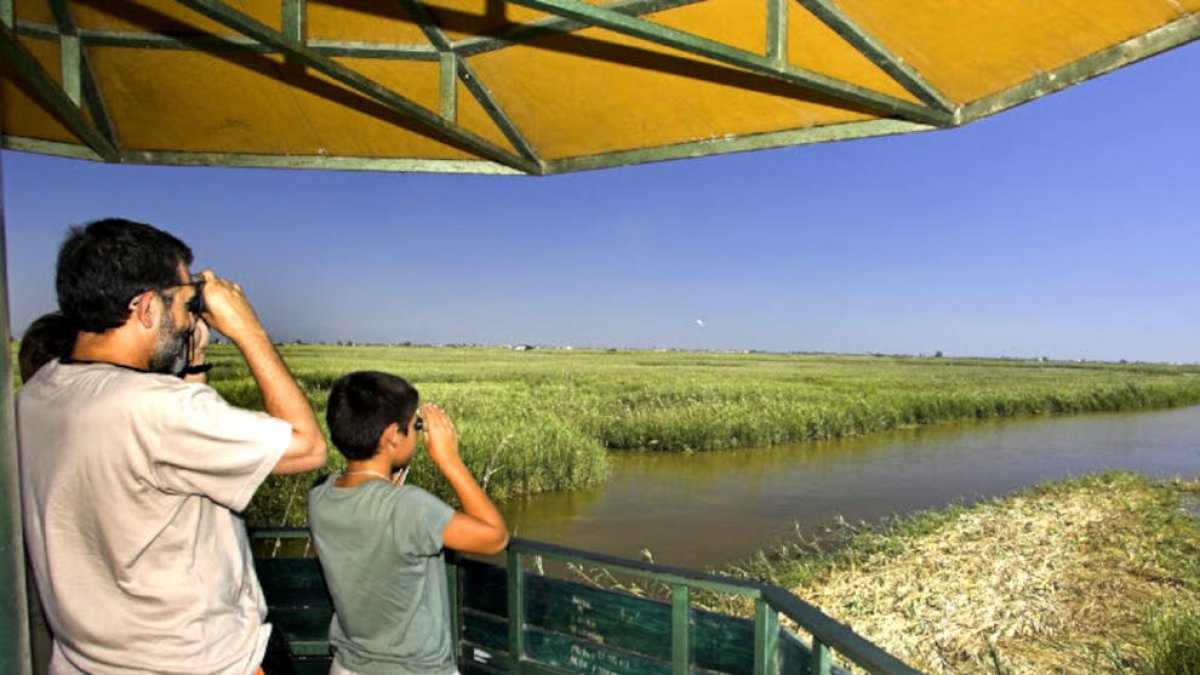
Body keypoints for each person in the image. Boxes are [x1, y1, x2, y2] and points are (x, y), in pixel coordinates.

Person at [17, 218, 328, 675]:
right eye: (184, 304)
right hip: (202, 661)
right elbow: (307, 446)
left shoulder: (38, 394)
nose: (187, 321)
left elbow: (168, 453)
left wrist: (193, 363)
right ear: (146, 307)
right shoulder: (156, 409)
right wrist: (248, 330)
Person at [308, 371, 509, 675]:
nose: (417, 434)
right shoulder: (408, 506)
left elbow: (370, 504)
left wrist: (391, 470)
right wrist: (449, 459)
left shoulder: (320, 495)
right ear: (392, 435)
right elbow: (495, 537)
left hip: (347, 665)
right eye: (414, 426)